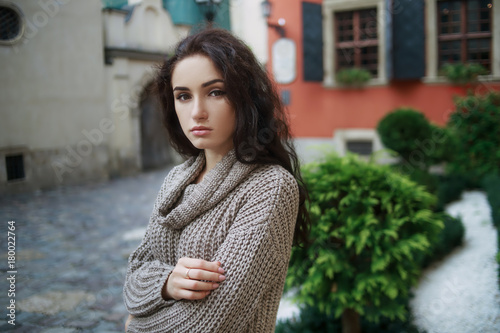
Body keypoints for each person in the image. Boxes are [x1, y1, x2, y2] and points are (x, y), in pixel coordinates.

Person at [123, 28, 309, 333]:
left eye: (215, 92)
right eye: (183, 96)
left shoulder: (270, 187)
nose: (197, 112)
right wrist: (167, 283)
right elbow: (134, 278)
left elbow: (208, 324)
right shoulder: (177, 180)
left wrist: (136, 323)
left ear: (244, 97)